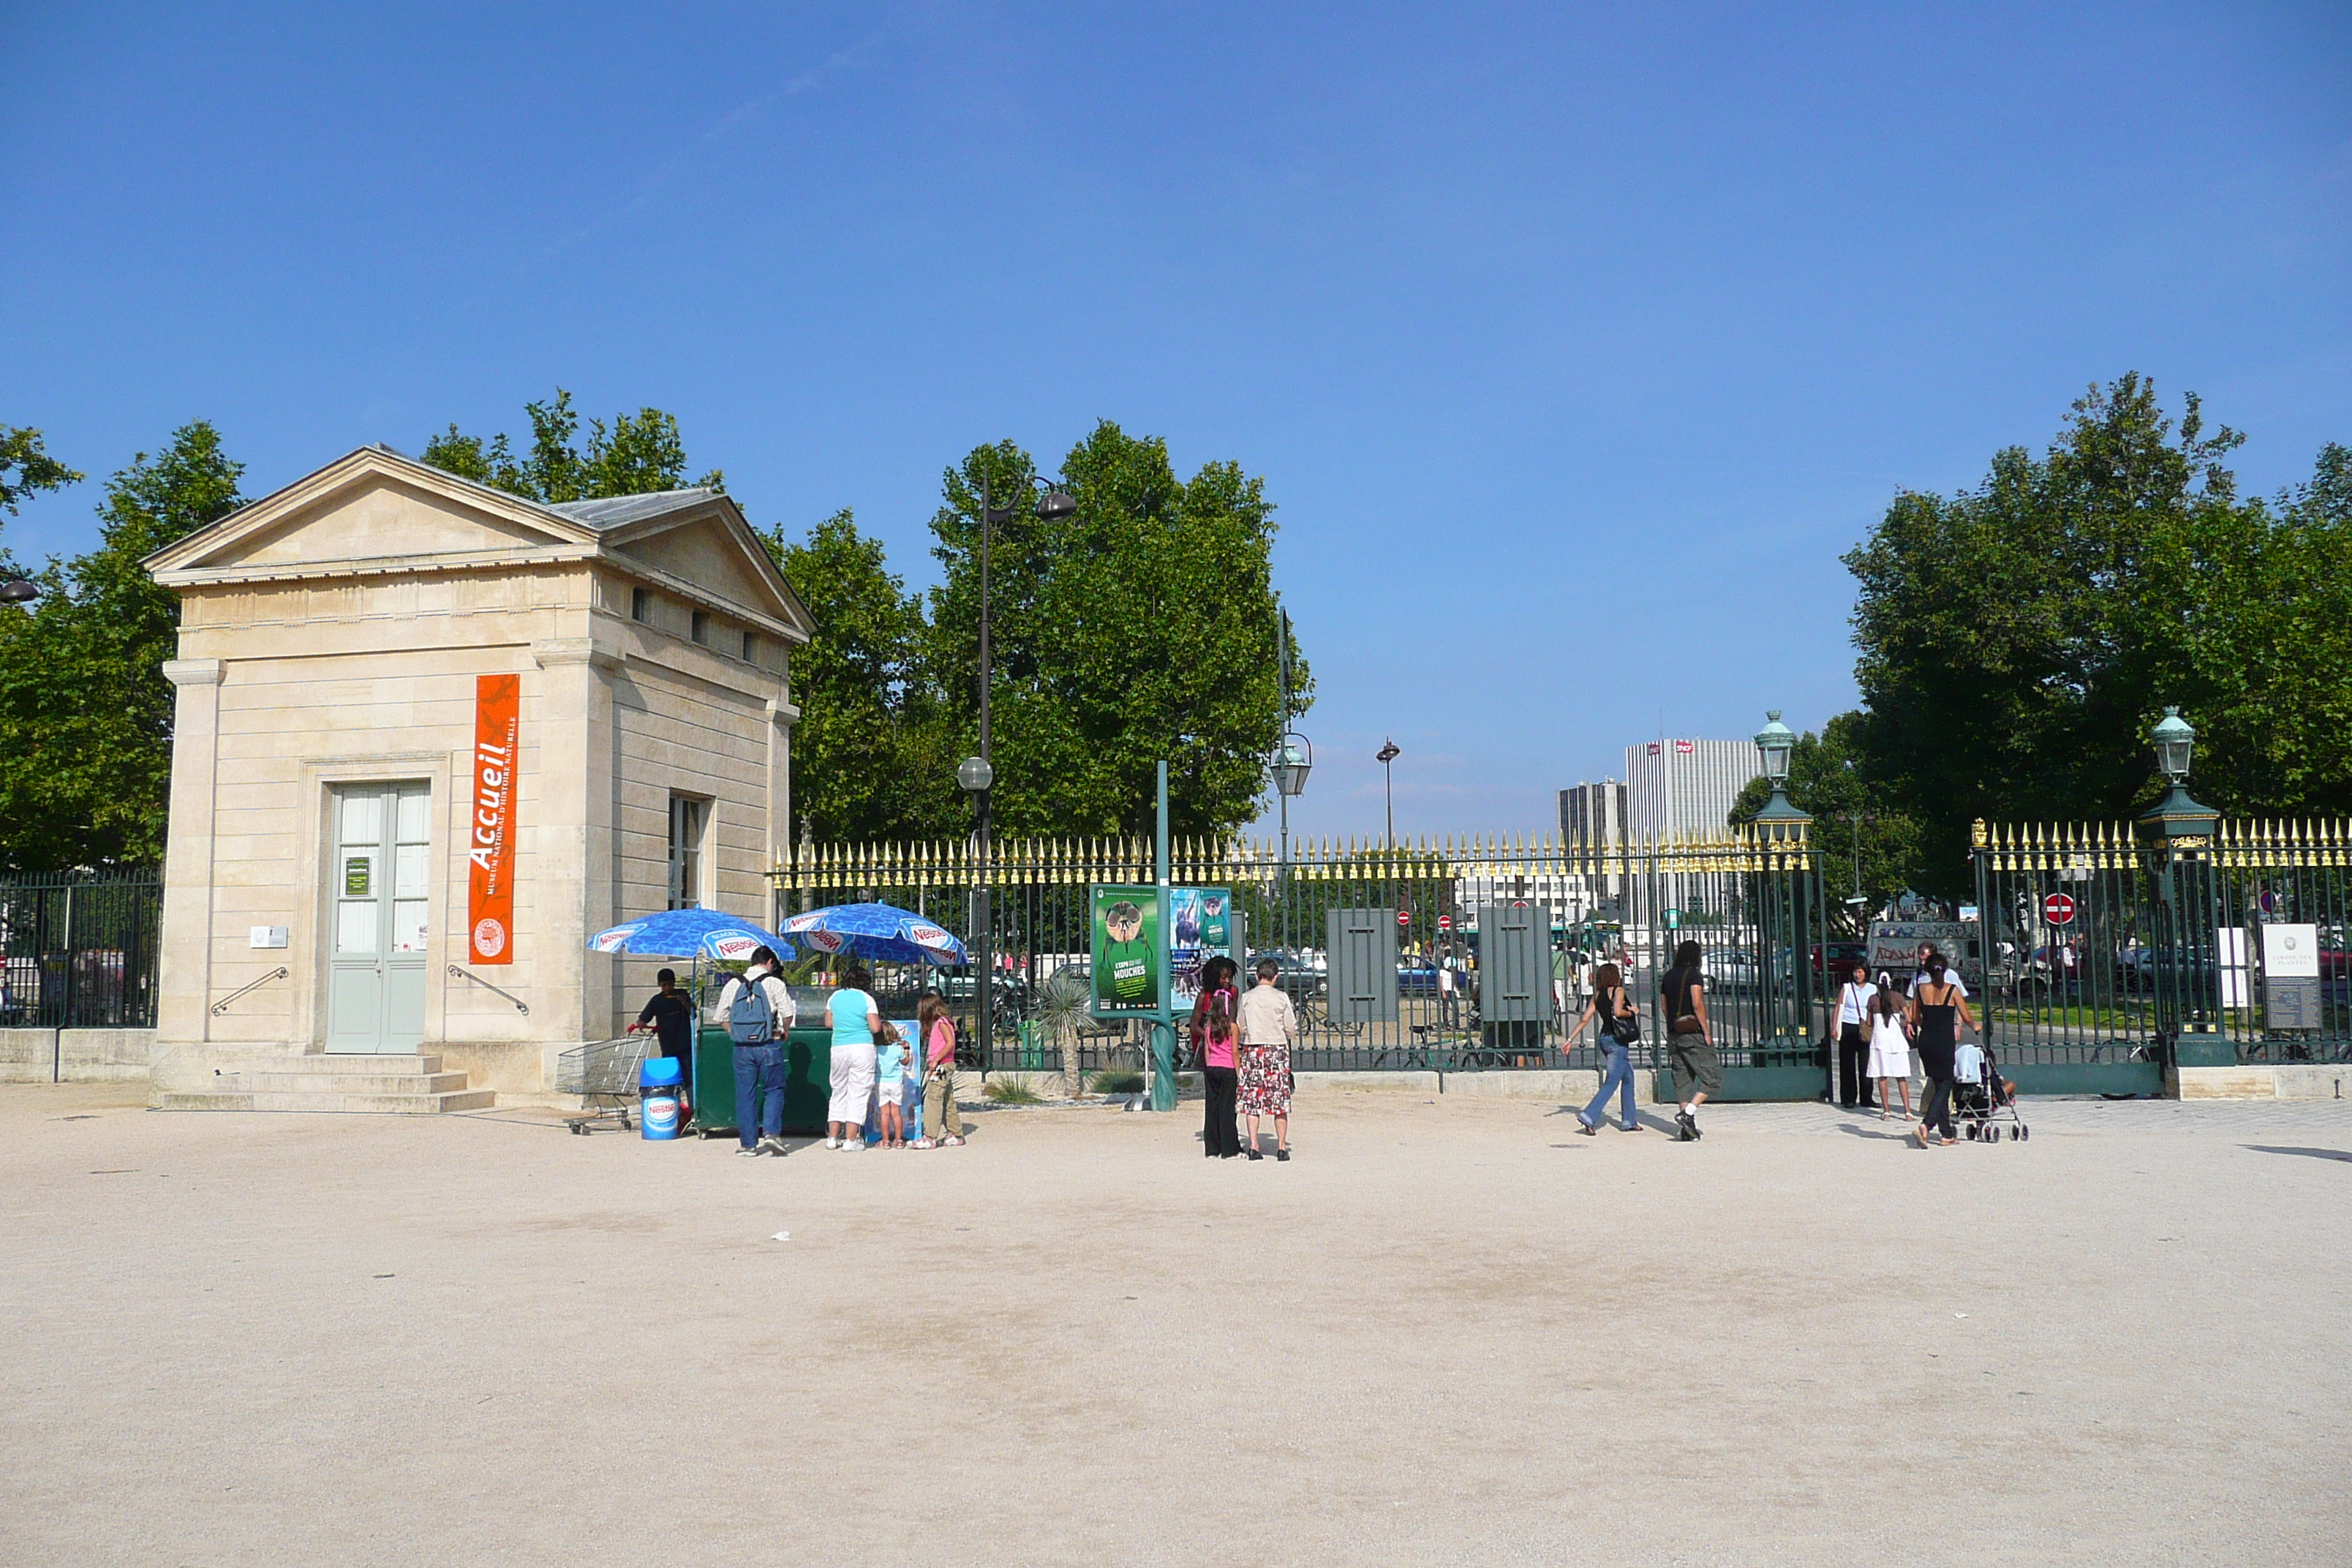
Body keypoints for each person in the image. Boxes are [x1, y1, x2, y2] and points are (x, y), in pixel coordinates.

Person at [711, 948, 794, 1158]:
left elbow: (721, 1016)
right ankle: (771, 1134)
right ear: (768, 962)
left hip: (742, 1049)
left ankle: (748, 1145)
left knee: (745, 1094)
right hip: (769, 1044)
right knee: (774, 1089)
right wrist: (785, 1031)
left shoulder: (733, 983)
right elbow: (788, 1012)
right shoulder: (775, 983)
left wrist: (736, 1033)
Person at [1907, 953, 1977, 1147]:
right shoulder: (1952, 990)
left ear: (1928, 971)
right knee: (1946, 1083)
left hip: (1927, 1040)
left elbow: (1914, 1017)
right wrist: (1975, 1026)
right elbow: (1966, 1016)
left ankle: (1947, 1133)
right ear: (1945, 971)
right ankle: (1927, 1125)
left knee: (1939, 1085)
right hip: (1944, 1041)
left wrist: (1928, 1024)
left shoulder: (1920, 989)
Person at [1567, 961, 1640, 1134]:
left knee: (1628, 1078)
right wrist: (1633, 1012)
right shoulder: (1618, 991)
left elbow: (1585, 1019)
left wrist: (1570, 1039)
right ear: (1615, 976)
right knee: (1612, 1082)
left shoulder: (1597, 996)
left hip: (1604, 1039)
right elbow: (1618, 1012)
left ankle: (1629, 1120)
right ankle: (1589, 1115)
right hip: (1617, 1041)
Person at [1237, 955, 1299, 1161]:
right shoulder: (1281, 998)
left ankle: (1254, 1145)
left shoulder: (1247, 998)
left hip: (1254, 1049)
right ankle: (1281, 1147)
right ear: (1276, 977)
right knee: (1279, 1101)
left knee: (1252, 1100)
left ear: (1257, 975)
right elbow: (1291, 1026)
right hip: (1276, 1049)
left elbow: (1242, 1026)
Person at [825, 962, 889, 1151]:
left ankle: (832, 1137)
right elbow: (875, 1027)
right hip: (862, 1047)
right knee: (858, 1093)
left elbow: (829, 1023)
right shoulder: (867, 999)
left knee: (838, 1091)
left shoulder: (834, 997)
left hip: (839, 1047)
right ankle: (851, 1140)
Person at [1659, 940, 1719, 1142]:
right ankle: (1688, 1113)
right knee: (1712, 1078)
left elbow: (1664, 1006)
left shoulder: (1668, 976)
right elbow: (1697, 1003)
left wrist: (1674, 1023)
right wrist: (1706, 1031)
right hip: (1692, 1034)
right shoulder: (1694, 974)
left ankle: (1687, 1128)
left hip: (1674, 1032)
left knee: (1682, 1080)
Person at [1191, 956, 1242, 1158]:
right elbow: (1194, 1026)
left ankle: (1227, 1141)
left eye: (1229, 977)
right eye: (1223, 978)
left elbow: (1234, 1018)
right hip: (1211, 1051)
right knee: (1213, 1102)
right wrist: (1212, 1035)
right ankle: (1214, 1144)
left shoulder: (1234, 993)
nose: (1227, 981)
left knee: (1229, 1103)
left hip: (1228, 1046)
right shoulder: (1204, 997)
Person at [630, 968, 697, 1117]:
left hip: (686, 1046)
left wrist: (685, 1002)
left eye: (670, 984)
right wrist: (640, 1024)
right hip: (668, 1048)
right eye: (664, 985)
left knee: (690, 1081)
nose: (668, 988)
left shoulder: (682, 994)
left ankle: (693, 1112)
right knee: (671, 1082)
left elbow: (693, 1014)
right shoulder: (657, 1001)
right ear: (660, 985)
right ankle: (675, 1111)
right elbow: (643, 1018)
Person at [911, 992, 966, 1149]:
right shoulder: (941, 1023)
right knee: (947, 1099)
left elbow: (950, 1043)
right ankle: (955, 1133)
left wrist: (935, 1061)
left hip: (941, 1065)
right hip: (943, 1064)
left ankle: (930, 1136)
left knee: (933, 1098)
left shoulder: (942, 1023)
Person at [1832, 960, 1877, 1110]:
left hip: (1866, 1027)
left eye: (1860, 972)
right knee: (1847, 1064)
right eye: (1855, 972)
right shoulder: (1847, 988)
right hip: (1848, 1026)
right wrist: (1835, 1028)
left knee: (1866, 1064)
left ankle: (1867, 1098)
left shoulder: (1873, 989)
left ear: (1866, 973)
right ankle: (1848, 1098)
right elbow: (1839, 1007)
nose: (1857, 975)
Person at [1866, 976, 1913, 1121]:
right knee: (1901, 1077)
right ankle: (1908, 1111)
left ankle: (1886, 1111)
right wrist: (1903, 1024)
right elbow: (1909, 1018)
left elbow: (1869, 1022)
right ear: (1891, 980)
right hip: (1896, 1041)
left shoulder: (1873, 999)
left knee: (1882, 1076)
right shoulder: (1898, 997)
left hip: (1880, 1040)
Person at [873, 1011, 909, 1149]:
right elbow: (906, 1062)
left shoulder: (876, 1050)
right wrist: (906, 1050)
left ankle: (886, 1140)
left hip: (881, 1082)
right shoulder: (897, 1050)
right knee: (896, 1113)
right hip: (896, 1083)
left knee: (884, 1113)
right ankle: (899, 1140)